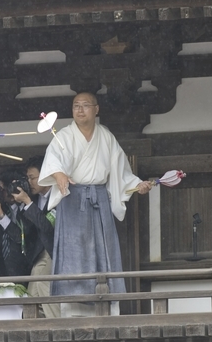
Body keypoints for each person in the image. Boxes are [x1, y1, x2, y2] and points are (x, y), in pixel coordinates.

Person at [38, 92, 153, 317]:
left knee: (103, 252)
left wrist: (137, 185)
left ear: (96, 109)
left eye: (85, 105)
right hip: (72, 199)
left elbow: (121, 171)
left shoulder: (106, 137)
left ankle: (106, 306)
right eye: (76, 106)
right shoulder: (64, 136)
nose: (80, 110)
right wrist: (59, 174)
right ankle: (73, 308)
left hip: (99, 200)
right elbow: (53, 162)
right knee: (74, 254)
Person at [14, 156, 57, 317]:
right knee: (31, 300)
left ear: (45, 174)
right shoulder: (35, 198)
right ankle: (33, 328)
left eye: (32, 178)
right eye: (27, 178)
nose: (29, 182)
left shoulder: (58, 196)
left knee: (44, 287)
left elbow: (47, 226)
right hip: (39, 254)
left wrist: (27, 202)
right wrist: (22, 202)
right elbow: (25, 229)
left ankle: (59, 325)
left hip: (54, 251)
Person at [0, 167, 38, 278]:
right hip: (1, 266)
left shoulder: (29, 208)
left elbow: (20, 237)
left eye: (2, 189)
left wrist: (1, 215)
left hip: (24, 269)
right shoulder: (4, 207)